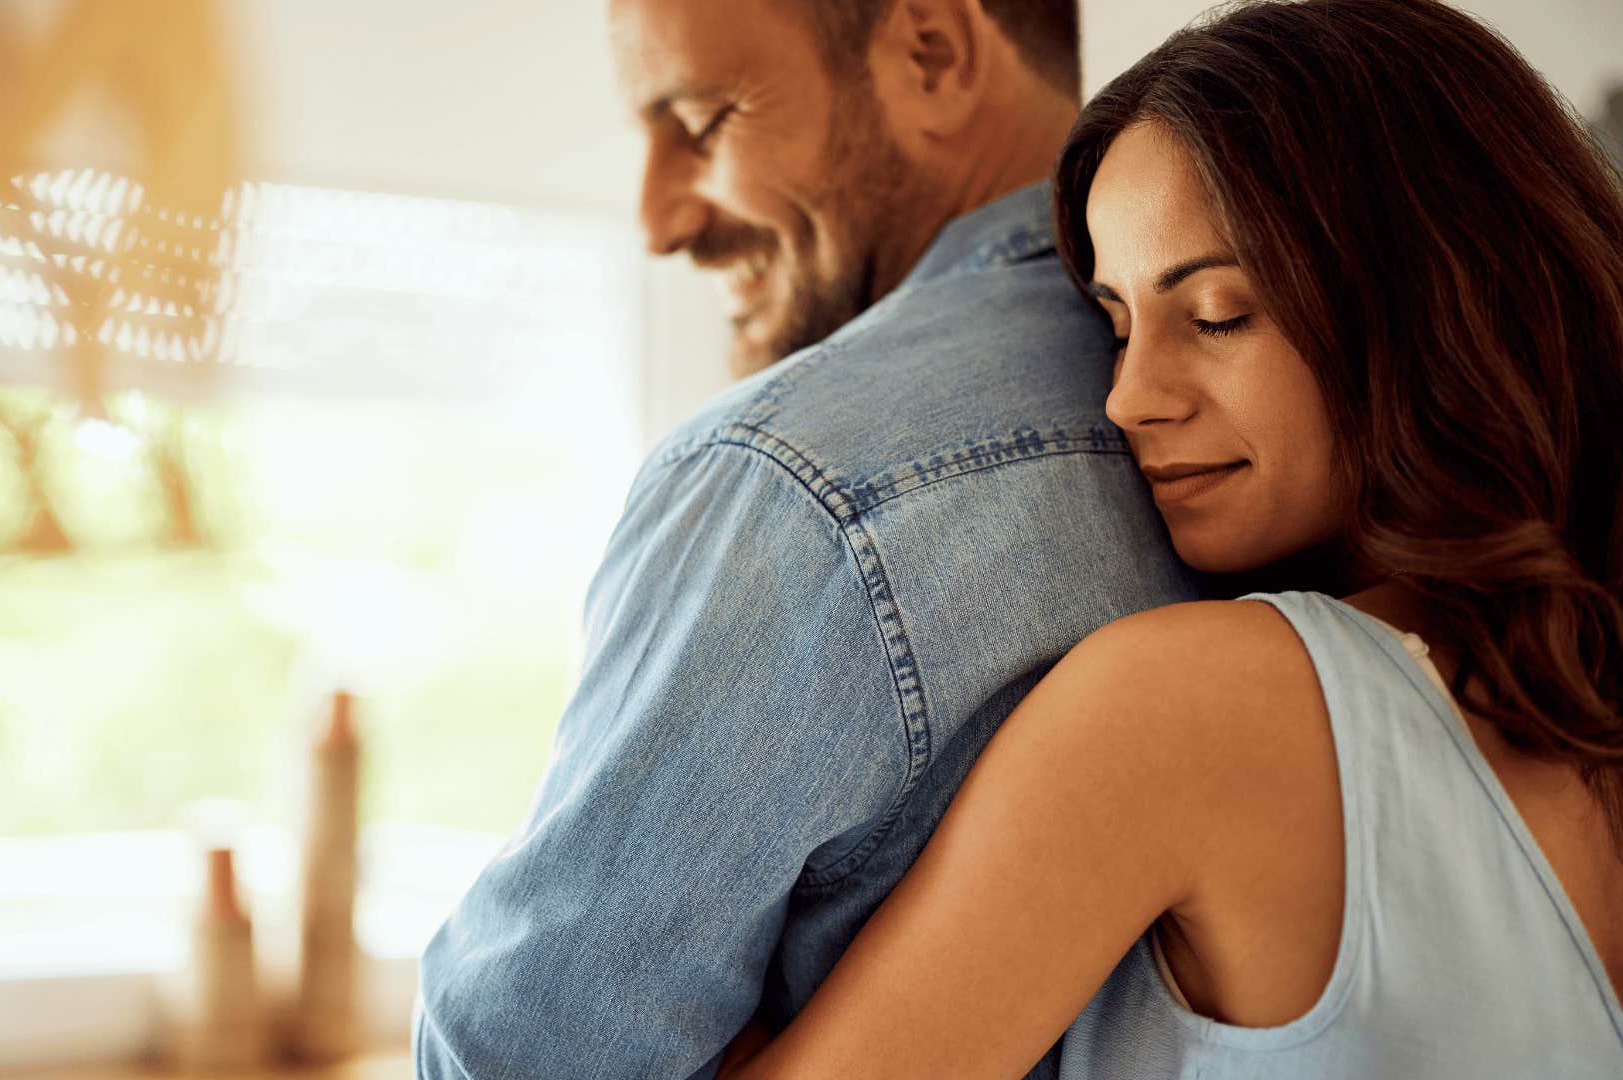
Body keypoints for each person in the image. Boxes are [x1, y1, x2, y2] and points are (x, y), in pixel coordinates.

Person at [717, 1, 1623, 1076]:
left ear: (1442, 300)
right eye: (1115, 324)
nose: (1128, 399)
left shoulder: (1189, 711)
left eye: (1219, 314)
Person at [414, 0, 1195, 1075]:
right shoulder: (1311, 432)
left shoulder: (788, 485)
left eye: (703, 121)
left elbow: (522, 1060)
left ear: (932, 53)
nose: (656, 220)